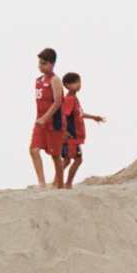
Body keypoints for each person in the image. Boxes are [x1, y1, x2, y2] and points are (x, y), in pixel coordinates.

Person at [55, 72, 105, 189]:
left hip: (75, 135)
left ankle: (57, 183)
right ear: (67, 85)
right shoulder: (69, 99)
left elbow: (79, 114)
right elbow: (63, 115)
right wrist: (64, 131)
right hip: (72, 135)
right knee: (77, 160)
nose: (78, 85)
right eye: (74, 83)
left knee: (67, 160)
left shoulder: (74, 99)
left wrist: (93, 117)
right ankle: (67, 184)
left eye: (79, 82)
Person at [30, 47, 65, 187]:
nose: (41, 66)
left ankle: (60, 185)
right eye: (39, 63)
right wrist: (41, 119)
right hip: (40, 122)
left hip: (53, 122)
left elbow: (58, 102)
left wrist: (45, 118)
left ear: (52, 64)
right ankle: (42, 183)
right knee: (33, 149)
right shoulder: (38, 80)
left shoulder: (55, 79)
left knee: (55, 155)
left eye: (44, 63)